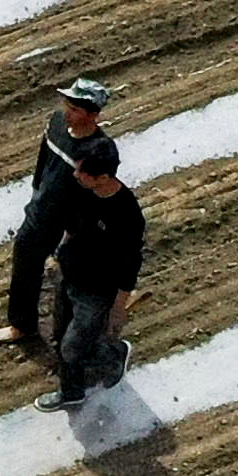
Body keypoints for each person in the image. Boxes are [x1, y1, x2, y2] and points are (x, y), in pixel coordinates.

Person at [0, 78, 116, 354]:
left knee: (67, 289)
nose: (67, 113)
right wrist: (37, 193)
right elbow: (42, 164)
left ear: (93, 115)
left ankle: (70, 345)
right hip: (40, 215)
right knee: (25, 264)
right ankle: (22, 324)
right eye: (67, 105)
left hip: (74, 229)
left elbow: (97, 196)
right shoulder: (56, 125)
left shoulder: (100, 151)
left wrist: (73, 235)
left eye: (74, 109)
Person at [41, 133, 144, 408]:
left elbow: (129, 264)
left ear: (103, 177)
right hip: (69, 276)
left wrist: (119, 306)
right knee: (61, 335)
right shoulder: (84, 191)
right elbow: (72, 226)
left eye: (82, 171)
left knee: (73, 348)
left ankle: (110, 357)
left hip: (96, 292)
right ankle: (73, 387)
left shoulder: (126, 214)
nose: (75, 175)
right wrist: (59, 255)